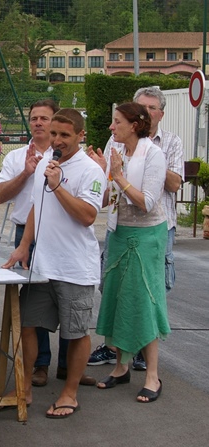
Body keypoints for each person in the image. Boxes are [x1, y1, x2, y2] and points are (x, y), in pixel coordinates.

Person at [2, 109, 105, 419]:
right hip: (41, 266)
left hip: (75, 267)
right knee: (28, 325)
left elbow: (88, 215)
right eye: (55, 133)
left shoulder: (90, 171)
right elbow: (37, 205)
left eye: (65, 135)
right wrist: (23, 245)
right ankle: (26, 387)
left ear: (80, 136)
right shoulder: (47, 163)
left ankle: (69, 393)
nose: (57, 140)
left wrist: (58, 186)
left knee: (75, 333)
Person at [87, 86, 183, 371]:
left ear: (136, 123)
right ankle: (120, 363)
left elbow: (152, 200)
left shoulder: (157, 151)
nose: (111, 126)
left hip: (148, 233)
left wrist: (119, 174)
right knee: (115, 293)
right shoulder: (115, 146)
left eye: (118, 121)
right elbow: (106, 194)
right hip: (119, 230)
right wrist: (102, 173)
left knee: (145, 297)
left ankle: (150, 369)